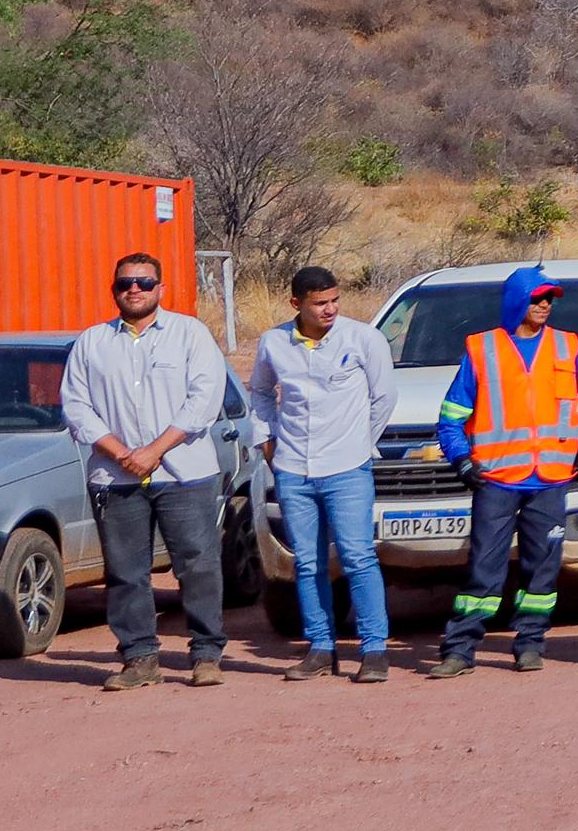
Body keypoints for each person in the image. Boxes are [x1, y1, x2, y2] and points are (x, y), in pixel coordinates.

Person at [62, 251, 233, 692]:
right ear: (113, 290)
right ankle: (139, 659)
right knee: (125, 571)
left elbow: (204, 401)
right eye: (125, 283)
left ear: (160, 288)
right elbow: (76, 407)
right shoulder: (92, 343)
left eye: (143, 282)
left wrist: (155, 450)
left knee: (197, 565)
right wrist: (123, 454)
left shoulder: (190, 335)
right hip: (116, 478)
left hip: (184, 473)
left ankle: (206, 654)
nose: (134, 289)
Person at [432, 265, 578, 677]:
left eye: (550, 298)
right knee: (483, 569)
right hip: (496, 479)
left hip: (550, 479)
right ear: (517, 302)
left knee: (542, 568)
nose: (545, 305)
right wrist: (461, 460)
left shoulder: (568, 347)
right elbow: (450, 417)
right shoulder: (482, 350)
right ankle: (459, 649)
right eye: (537, 298)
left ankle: (530, 643)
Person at [249, 261, 394, 683]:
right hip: (294, 468)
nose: (329, 310)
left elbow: (383, 396)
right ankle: (320, 646)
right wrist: (267, 441)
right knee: (308, 562)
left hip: (348, 468)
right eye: (319, 303)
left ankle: (374, 649)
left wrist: (359, 443)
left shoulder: (363, 339)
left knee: (358, 556)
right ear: (297, 303)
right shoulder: (274, 343)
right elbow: (259, 391)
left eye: (334, 301)